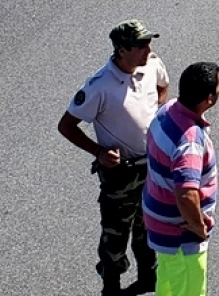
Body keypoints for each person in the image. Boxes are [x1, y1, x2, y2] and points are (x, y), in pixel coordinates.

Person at [58, 20, 170, 296]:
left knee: (149, 227)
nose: (148, 49)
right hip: (122, 174)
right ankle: (111, 286)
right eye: (141, 45)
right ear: (121, 50)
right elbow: (66, 125)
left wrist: (160, 114)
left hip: (152, 166)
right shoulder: (100, 86)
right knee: (115, 236)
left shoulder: (151, 64)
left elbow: (163, 86)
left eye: (148, 43)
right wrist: (98, 152)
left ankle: (148, 278)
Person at [144, 62, 219, 296]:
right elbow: (187, 194)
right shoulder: (189, 140)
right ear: (208, 98)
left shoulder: (167, 111)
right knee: (189, 289)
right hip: (181, 236)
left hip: (161, 227)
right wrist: (199, 227)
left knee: (168, 283)